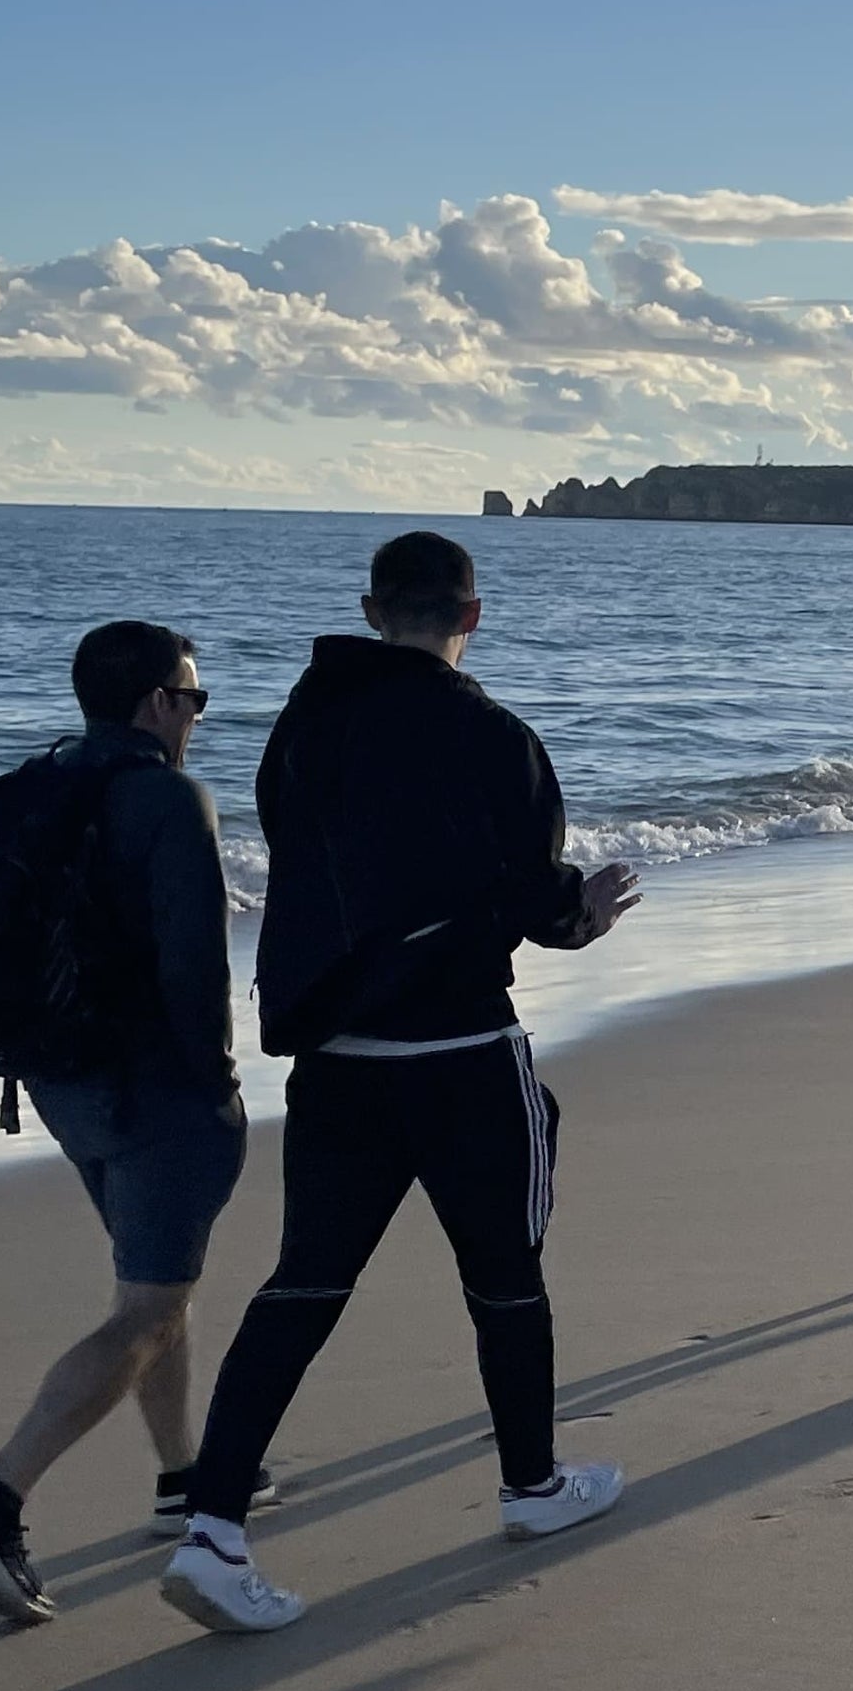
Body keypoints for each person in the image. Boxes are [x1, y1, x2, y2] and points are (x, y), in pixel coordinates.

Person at [156, 533, 641, 1635]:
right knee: (505, 1276)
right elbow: (533, 897)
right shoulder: (494, 736)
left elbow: (305, 852)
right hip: (465, 1051)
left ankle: (213, 1529)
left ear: (374, 610)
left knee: (303, 1286)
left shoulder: (304, 724)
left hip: (337, 1056)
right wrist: (583, 913)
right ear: (474, 614)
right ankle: (531, 1487)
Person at [0, 622, 243, 1625]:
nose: (194, 718)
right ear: (153, 703)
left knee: (152, 1283)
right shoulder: (167, 797)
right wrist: (217, 1084)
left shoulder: (38, 786)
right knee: (146, 1309)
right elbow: (196, 967)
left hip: (60, 1080)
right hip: (156, 1093)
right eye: (190, 699)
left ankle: (185, 1477)